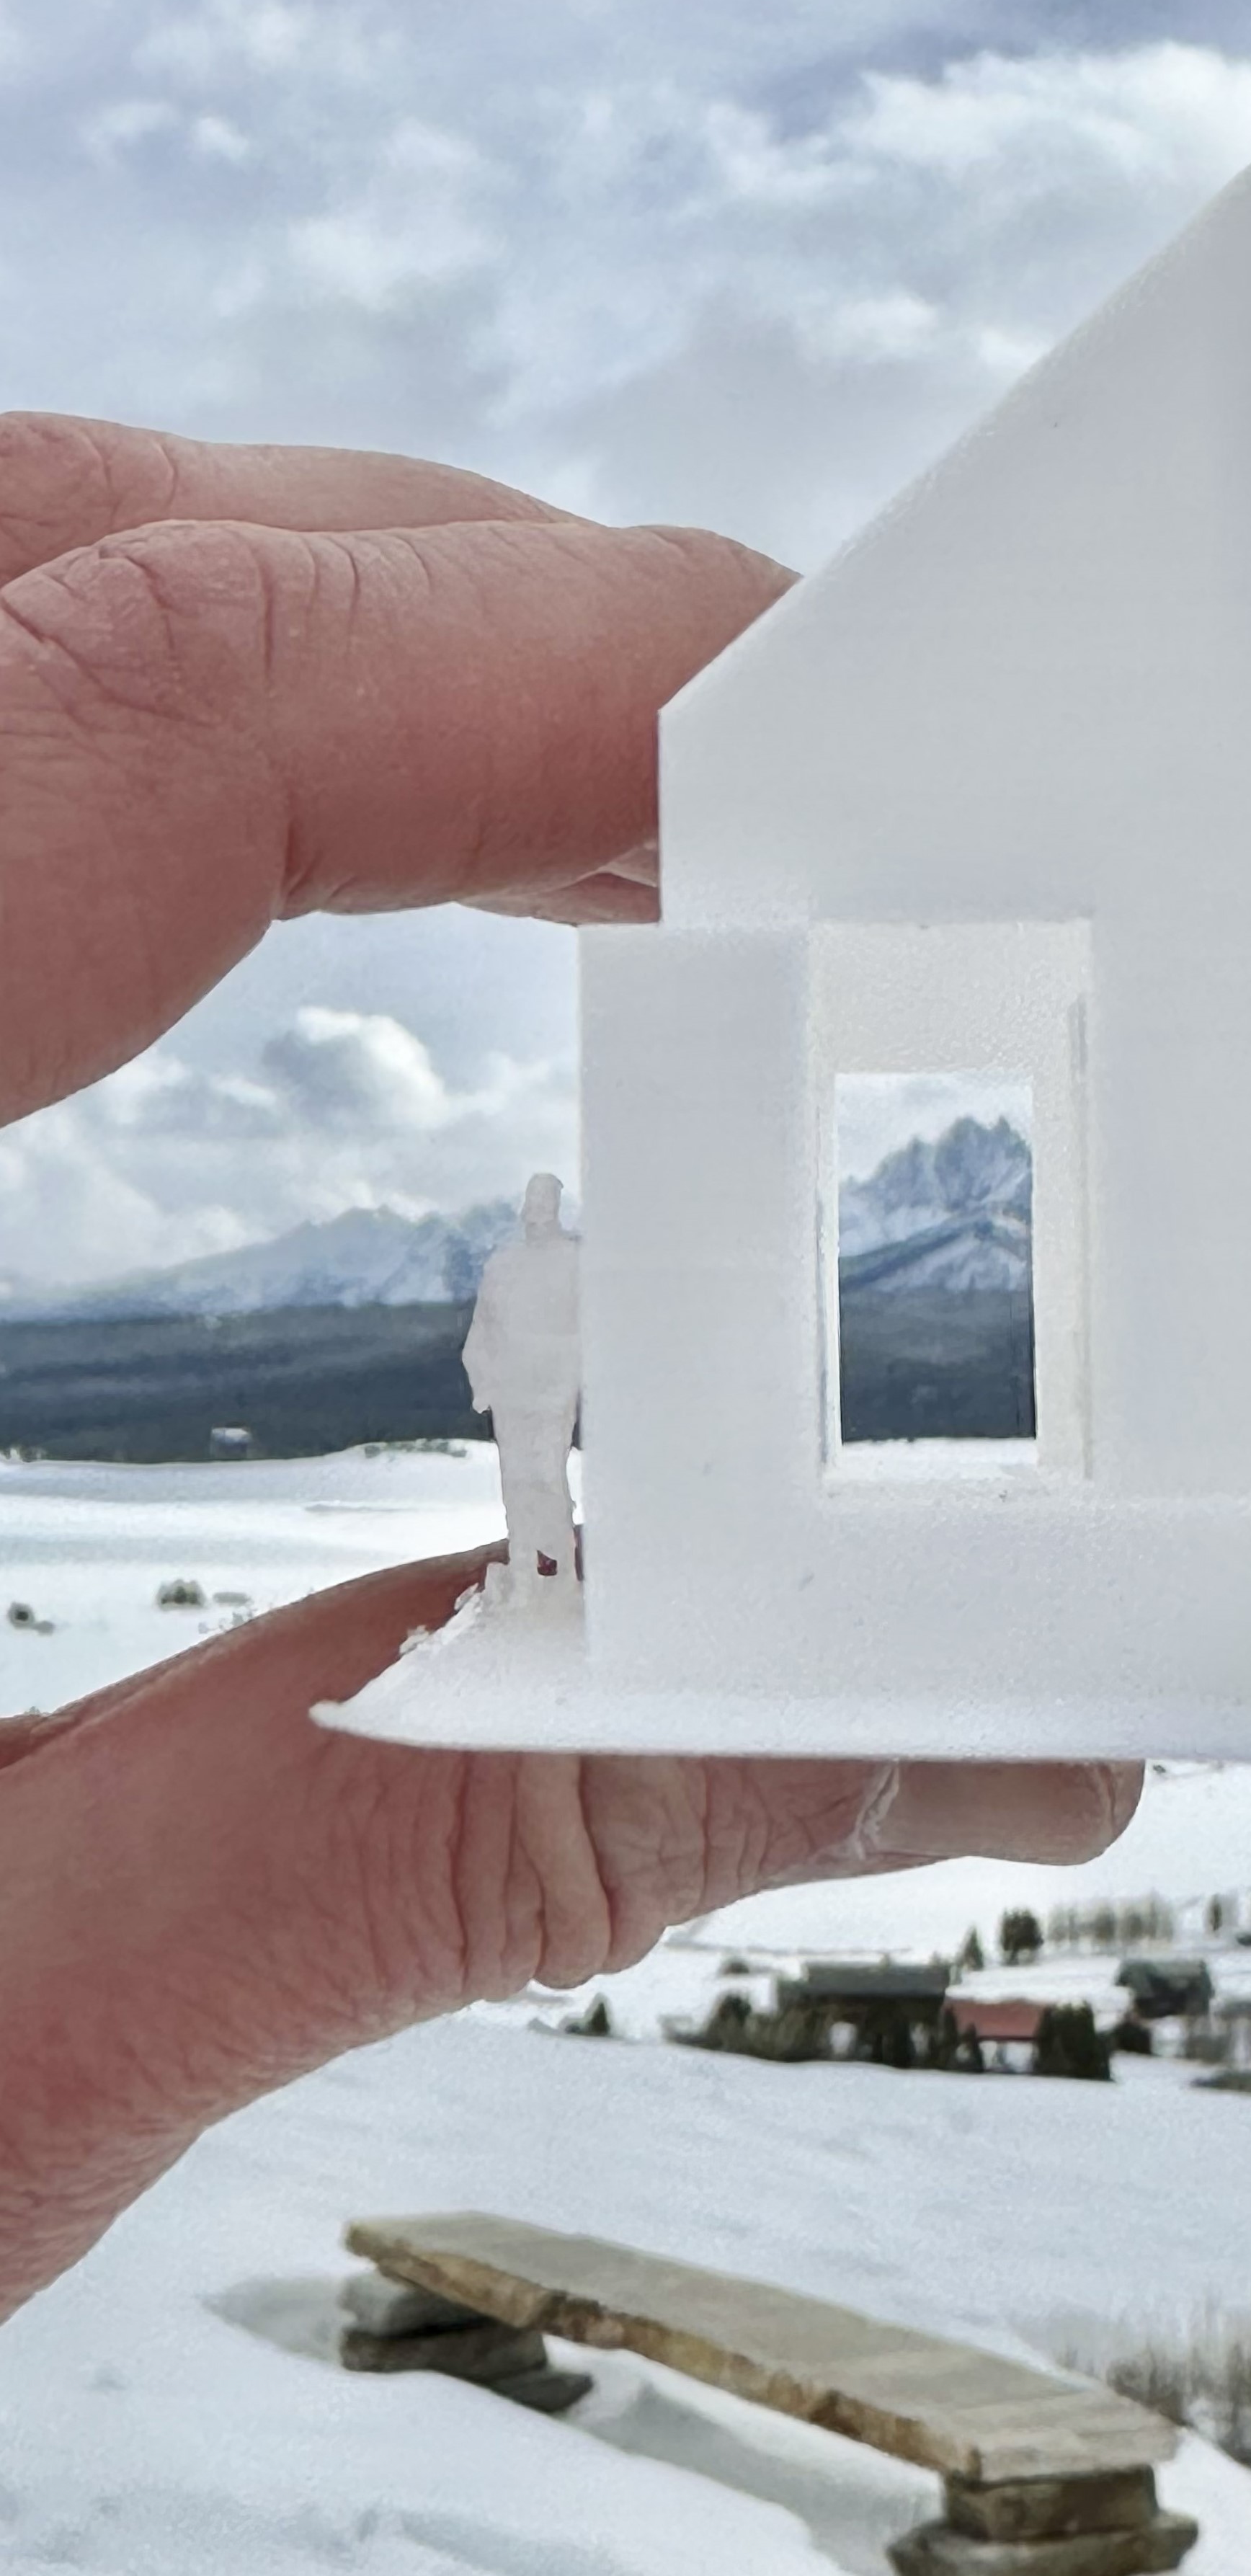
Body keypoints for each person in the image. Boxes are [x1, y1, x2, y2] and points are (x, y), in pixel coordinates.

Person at [0, 412, 1141, 2324]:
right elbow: (514, 1339)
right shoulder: (547, 1268)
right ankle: (563, 1585)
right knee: (544, 1521)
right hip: (556, 1427)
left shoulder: (564, 1261)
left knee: (170, 647)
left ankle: (568, 1575)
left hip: (575, 1414)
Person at [463, 1171, 582, 1597]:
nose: (538, 1209)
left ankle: (561, 1572)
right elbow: (482, 1329)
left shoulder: (574, 1261)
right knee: (516, 1484)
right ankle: (524, 1570)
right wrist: (483, 1380)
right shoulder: (503, 1265)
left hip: (553, 1392)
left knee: (548, 1478)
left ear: (556, 1206)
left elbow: (590, 1329)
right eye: (533, 1199)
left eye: (546, 1200)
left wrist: (569, 1379)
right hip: (510, 1393)